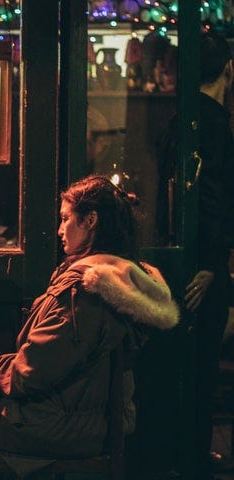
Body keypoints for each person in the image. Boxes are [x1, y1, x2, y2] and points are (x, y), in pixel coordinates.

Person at [0, 175, 180, 479]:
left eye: (65, 219)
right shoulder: (126, 275)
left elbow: (31, 374)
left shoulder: (85, 290)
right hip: (101, 417)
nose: (60, 230)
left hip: (65, 424)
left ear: (90, 220)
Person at [157, 31, 234, 478]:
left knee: (182, 365)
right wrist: (209, 262)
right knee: (200, 366)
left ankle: (180, 454)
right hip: (203, 265)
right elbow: (209, 198)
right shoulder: (214, 123)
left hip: (181, 257)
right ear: (228, 69)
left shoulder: (180, 120)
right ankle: (193, 458)